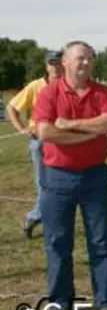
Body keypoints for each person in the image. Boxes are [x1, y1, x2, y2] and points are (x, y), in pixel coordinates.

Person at [32, 41, 107, 310]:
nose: (85, 63)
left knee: (101, 241)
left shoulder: (101, 92)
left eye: (89, 59)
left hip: (94, 176)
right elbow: (46, 132)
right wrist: (91, 131)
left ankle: (105, 299)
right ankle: (61, 302)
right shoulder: (49, 92)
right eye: (80, 58)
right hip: (57, 178)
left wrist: (70, 125)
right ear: (66, 62)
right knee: (58, 242)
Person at [6, 50, 63, 238]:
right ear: (46, 66)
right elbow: (12, 107)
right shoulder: (35, 86)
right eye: (51, 63)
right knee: (44, 184)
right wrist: (22, 128)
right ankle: (38, 217)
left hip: (64, 140)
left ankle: (38, 216)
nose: (55, 66)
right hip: (39, 141)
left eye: (58, 62)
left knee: (61, 184)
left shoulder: (69, 84)